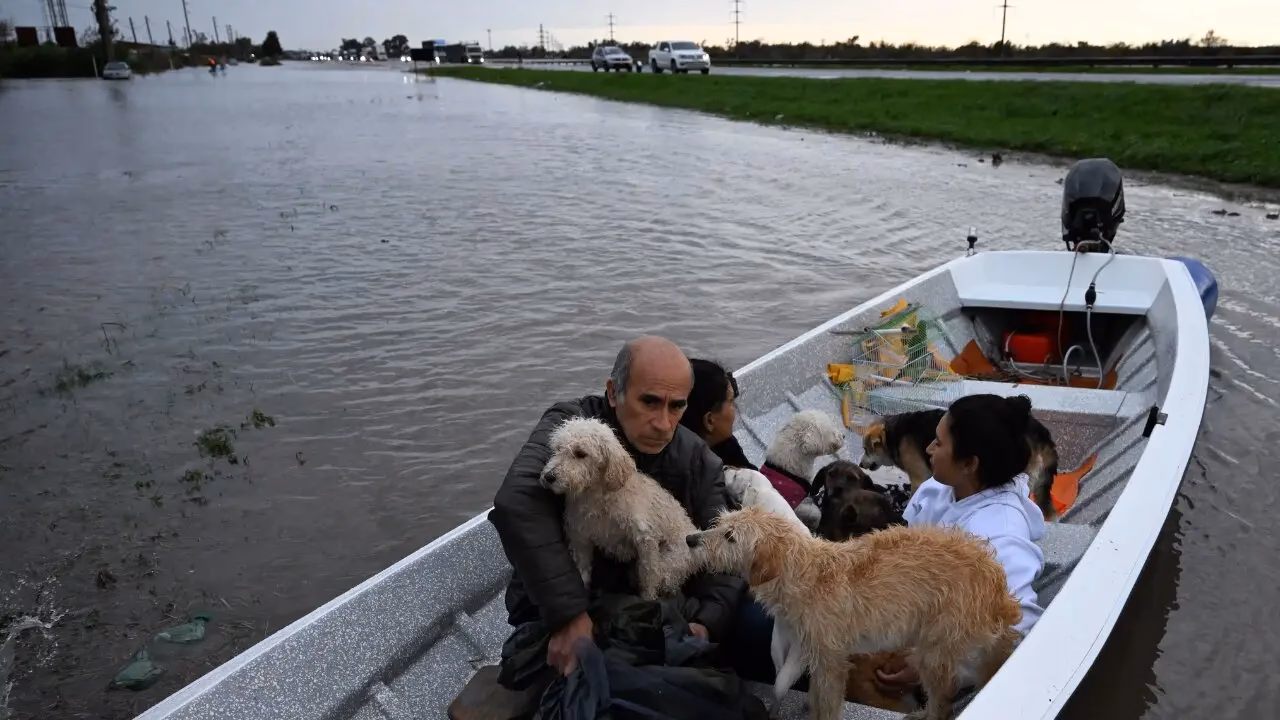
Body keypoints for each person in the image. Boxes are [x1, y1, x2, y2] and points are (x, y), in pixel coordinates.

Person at [489, 336, 747, 680]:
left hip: (659, 606)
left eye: (677, 407)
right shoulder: (570, 424)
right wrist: (569, 615)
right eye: (650, 402)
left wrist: (707, 625)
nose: (664, 423)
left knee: (773, 627)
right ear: (613, 392)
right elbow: (517, 502)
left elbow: (725, 542)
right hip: (567, 605)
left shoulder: (698, 459)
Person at [875, 393, 1047, 700]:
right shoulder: (938, 487)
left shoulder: (999, 537)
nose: (928, 448)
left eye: (939, 443)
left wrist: (937, 666)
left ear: (969, 464)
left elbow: (1018, 628)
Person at [680, 358, 755, 470]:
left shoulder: (727, 446)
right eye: (731, 402)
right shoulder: (701, 475)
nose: (735, 410)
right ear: (710, 420)